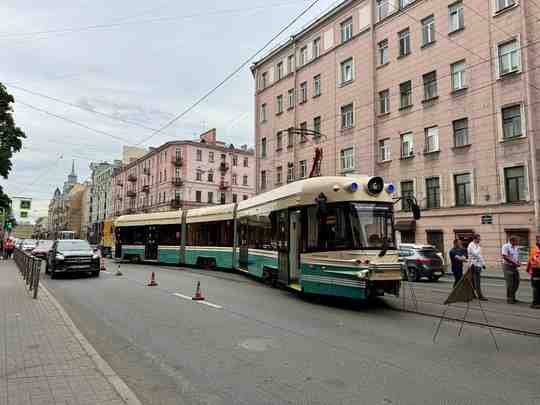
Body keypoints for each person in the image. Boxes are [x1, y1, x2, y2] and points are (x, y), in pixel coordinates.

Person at [501, 236, 521, 304]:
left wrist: (518, 262)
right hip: (507, 266)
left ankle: (512, 296)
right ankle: (510, 298)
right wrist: (515, 262)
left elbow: (516, 257)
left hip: (514, 267)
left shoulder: (516, 247)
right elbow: (505, 256)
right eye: (517, 241)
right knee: (510, 283)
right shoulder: (506, 246)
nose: (518, 242)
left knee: (517, 282)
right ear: (512, 241)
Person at [467, 234, 487, 300]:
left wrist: (483, 264)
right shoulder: (471, 245)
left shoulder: (477, 245)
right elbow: (475, 254)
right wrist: (479, 248)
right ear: (475, 239)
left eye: (480, 239)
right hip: (473, 265)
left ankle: (473, 295)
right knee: (476, 281)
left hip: (478, 265)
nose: (480, 240)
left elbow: (480, 255)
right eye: (479, 239)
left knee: (475, 281)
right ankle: (479, 296)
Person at [527, 235, 540, 309]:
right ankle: (536, 303)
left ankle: (536, 303)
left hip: (536, 271)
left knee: (536, 287)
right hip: (536, 271)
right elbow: (533, 261)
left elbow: (533, 261)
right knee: (537, 287)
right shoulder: (535, 250)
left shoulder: (535, 249)